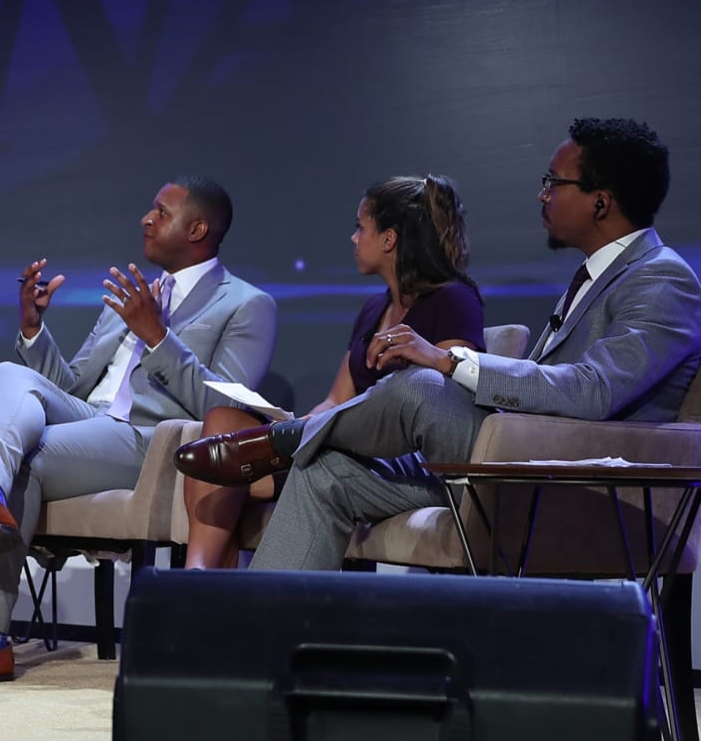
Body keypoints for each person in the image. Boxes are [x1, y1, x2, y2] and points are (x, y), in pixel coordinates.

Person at [175, 118, 701, 572]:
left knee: (422, 385)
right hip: (512, 462)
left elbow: (594, 392)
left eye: (553, 182)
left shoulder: (661, 280)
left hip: (581, 483)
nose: (542, 194)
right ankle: (264, 649)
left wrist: (449, 360)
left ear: (601, 201)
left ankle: (282, 443)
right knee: (328, 472)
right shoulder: (593, 277)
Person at [0, 175, 279, 683]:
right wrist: (33, 330)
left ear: (198, 227)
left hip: (149, 441)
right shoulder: (134, 295)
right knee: (8, 373)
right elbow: (73, 385)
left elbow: (229, 408)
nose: (145, 219)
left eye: (160, 211)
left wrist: (158, 337)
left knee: (28, 462)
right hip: (92, 423)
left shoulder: (246, 304)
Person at [181, 174, 485, 569]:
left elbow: (446, 402)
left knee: (227, 472)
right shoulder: (373, 310)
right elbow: (336, 400)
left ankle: (215, 599)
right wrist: (304, 424)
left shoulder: (454, 298)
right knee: (223, 423)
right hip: (345, 446)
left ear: (389, 239)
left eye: (362, 229)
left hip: (405, 462)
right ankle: (199, 582)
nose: (354, 239)